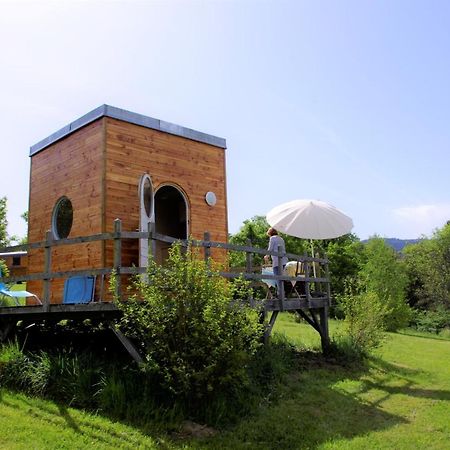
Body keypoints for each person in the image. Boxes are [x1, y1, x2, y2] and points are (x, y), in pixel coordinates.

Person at [264, 227, 288, 295]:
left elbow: (270, 249)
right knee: (281, 277)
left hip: (277, 261)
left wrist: (266, 256)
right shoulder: (281, 239)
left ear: (270, 233)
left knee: (277, 277)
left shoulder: (272, 238)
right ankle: (282, 293)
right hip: (284, 260)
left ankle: (280, 294)